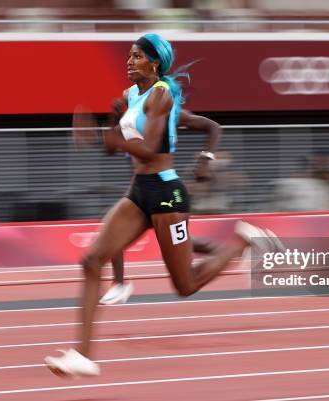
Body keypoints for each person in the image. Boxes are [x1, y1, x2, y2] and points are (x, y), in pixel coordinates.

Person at [44, 33, 280, 378]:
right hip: (139, 191)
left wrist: (108, 139)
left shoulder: (161, 95)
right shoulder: (130, 96)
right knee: (92, 259)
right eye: (128, 55)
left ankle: (242, 240)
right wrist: (109, 123)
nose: (129, 61)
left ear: (154, 62)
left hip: (166, 193)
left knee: (185, 285)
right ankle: (82, 354)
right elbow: (120, 144)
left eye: (137, 56)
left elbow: (151, 150)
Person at [100, 109, 221, 305]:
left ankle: (227, 251)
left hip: (167, 192)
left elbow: (213, 127)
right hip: (140, 191)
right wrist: (112, 118)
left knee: (184, 273)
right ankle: (119, 284)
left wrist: (205, 159)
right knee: (113, 234)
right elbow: (110, 147)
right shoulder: (128, 118)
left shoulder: (170, 113)